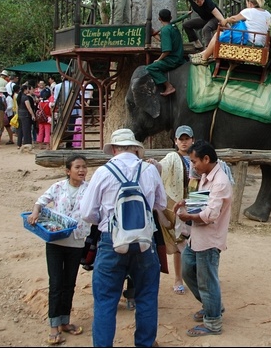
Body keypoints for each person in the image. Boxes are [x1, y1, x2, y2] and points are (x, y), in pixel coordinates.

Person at [79, 128, 167, 347]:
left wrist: (106, 219)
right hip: (145, 242)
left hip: (111, 241)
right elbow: (161, 205)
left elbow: (87, 212)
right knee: (146, 297)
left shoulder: (102, 172)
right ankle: (145, 344)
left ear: (114, 148)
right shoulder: (149, 170)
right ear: (135, 148)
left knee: (105, 301)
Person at [27, 154, 90, 346]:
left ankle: (65, 321)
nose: (81, 171)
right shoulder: (58, 187)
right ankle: (53, 326)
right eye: (77, 167)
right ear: (67, 171)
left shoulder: (90, 190)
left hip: (77, 242)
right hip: (55, 241)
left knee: (69, 283)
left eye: (84, 167)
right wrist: (35, 212)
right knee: (56, 283)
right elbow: (41, 200)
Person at [174, 139, 233, 337]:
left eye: (194, 161)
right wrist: (187, 202)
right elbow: (203, 200)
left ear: (206, 159)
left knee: (207, 281)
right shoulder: (207, 176)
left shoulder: (221, 182)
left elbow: (210, 214)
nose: (193, 165)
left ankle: (213, 322)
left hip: (209, 240)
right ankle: (212, 305)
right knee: (188, 268)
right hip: (197, 238)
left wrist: (188, 216)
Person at [158, 125, 198, 296]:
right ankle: (178, 278)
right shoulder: (172, 157)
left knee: (198, 241)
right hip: (179, 205)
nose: (184, 142)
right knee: (180, 242)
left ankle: (195, 276)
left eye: (186, 139)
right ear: (175, 141)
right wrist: (153, 166)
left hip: (196, 203)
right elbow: (162, 167)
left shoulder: (197, 157)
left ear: (192, 140)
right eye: (180, 139)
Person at [193, 0, 271, 65]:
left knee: (218, 34)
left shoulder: (249, 11)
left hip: (248, 40)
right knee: (228, 33)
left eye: (247, 3)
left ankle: (204, 58)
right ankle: (203, 54)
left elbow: (234, 19)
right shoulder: (268, 15)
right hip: (261, 44)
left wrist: (226, 20)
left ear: (250, 3)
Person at [152, 0, 225, 48]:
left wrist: (230, 29)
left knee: (206, 29)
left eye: (201, 0)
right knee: (186, 25)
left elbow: (221, 18)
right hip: (205, 19)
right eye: (197, 2)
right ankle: (198, 44)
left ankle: (208, 50)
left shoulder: (208, 3)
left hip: (215, 18)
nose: (200, 2)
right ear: (193, 0)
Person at [146, 9, 186, 96]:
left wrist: (158, 59)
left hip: (172, 60)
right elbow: (164, 39)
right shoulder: (173, 27)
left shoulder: (165, 30)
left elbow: (167, 50)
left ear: (159, 19)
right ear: (171, 17)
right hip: (180, 57)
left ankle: (168, 86)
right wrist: (154, 34)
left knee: (150, 68)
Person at [17, 82, 37, 150]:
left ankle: (19, 144)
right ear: (25, 90)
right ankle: (27, 143)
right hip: (25, 115)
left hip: (20, 114)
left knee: (20, 130)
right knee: (26, 130)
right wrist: (33, 115)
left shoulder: (19, 97)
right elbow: (29, 107)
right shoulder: (25, 97)